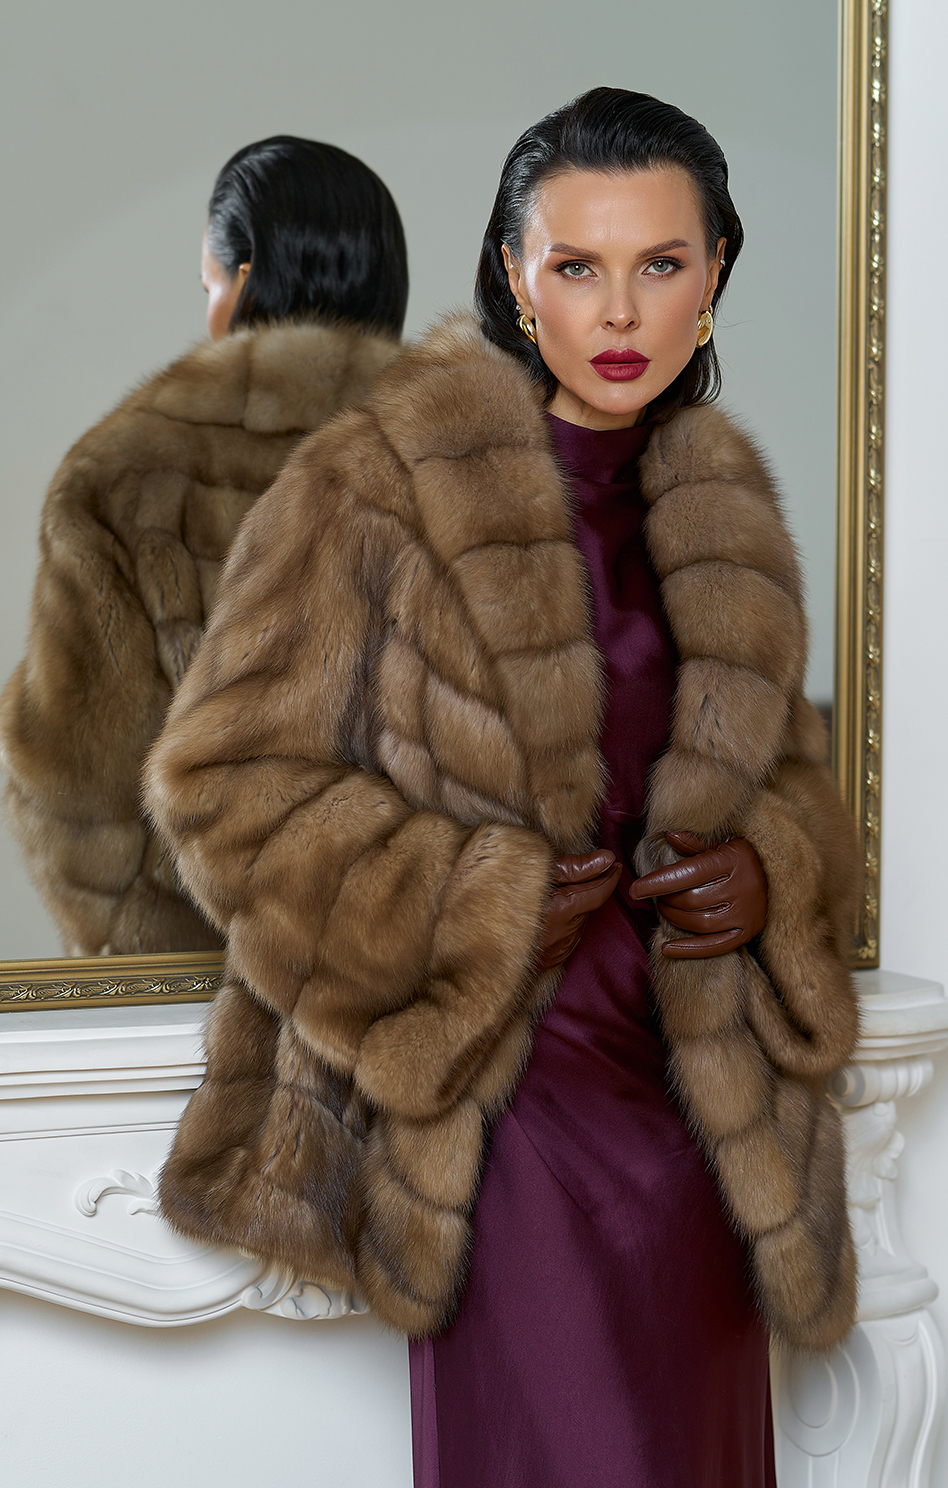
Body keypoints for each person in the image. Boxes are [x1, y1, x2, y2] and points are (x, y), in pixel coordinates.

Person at [145, 90, 860, 1487]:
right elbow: (222, 779)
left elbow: (790, 787)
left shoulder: (724, 511)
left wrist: (769, 872)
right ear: (514, 275)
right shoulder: (376, 482)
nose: (620, 310)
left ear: (714, 272)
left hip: (703, 1122)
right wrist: (468, 904)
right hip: (503, 1114)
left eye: (661, 263)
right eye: (576, 265)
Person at [0, 135, 408, 956]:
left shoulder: (125, 471)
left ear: (244, 280)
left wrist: (148, 948)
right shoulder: (480, 458)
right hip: (426, 977)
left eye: (209, 281)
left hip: (200, 981)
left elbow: (73, 779)